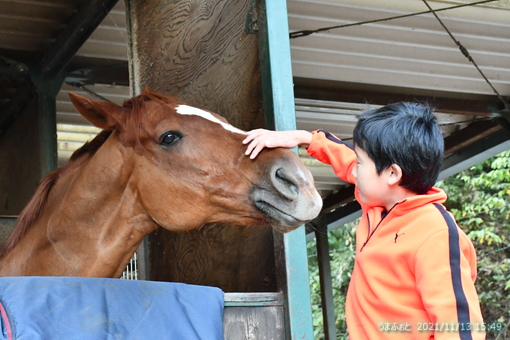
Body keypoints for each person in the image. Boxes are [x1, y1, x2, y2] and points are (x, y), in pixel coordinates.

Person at [243, 102, 485, 340]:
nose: (354, 171)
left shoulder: (435, 233)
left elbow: (461, 329)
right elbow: (347, 159)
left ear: (392, 174)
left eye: (360, 164)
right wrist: (304, 138)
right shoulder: (380, 202)